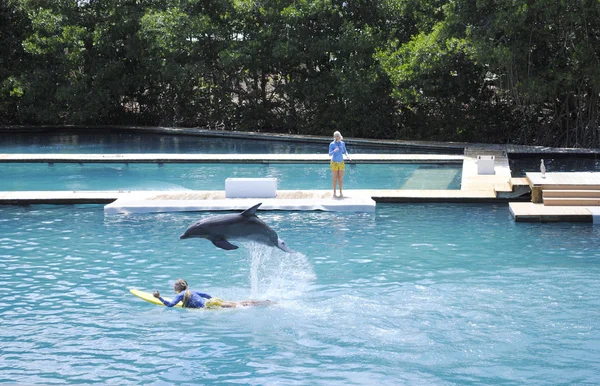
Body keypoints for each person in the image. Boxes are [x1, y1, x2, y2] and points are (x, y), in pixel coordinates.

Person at [153, 279, 271, 309]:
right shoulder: (191, 291)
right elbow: (206, 294)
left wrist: (159, 298)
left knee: (239, 306)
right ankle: (263, 302)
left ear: (180, 287)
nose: (174, 286)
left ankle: (263, 304)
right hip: (212, 301)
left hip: (210, 305)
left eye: (176, 285)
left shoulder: (181, 295)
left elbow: (170, 305)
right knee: (239, 303)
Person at [328, 131, 350, 197]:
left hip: (341, 162)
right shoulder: (332, 144)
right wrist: (334, 150)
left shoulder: (342, 143)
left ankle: (341, 192)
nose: (338, 137)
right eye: (337, 136)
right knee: (334, 178)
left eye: (339, 135)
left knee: (340, 178)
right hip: (334, 162)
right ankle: (334, 192)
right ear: (335, 137)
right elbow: (329, 154)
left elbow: (345, 151)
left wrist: (347, 156)